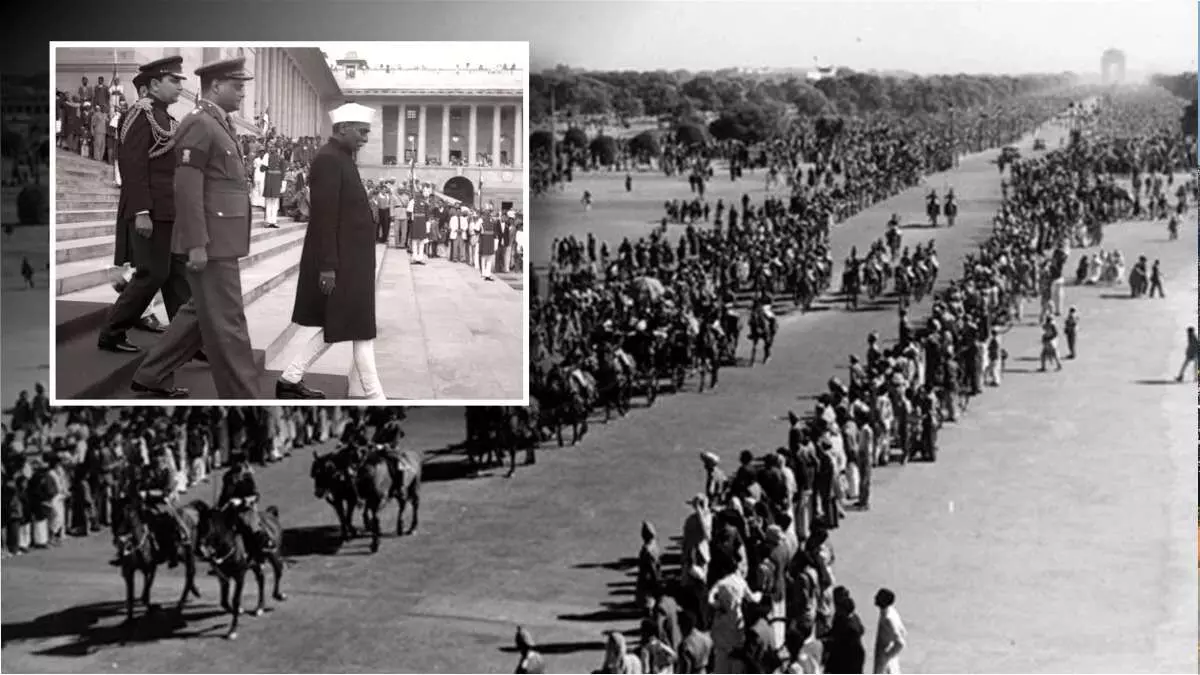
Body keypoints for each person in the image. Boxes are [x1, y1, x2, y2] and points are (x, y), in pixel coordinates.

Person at [130, 57, 259, 399]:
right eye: (238, 86)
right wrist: (197, 244)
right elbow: (186, 189)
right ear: (216, 86)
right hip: (211, 244)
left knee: (197, 315)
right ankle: (243, 399)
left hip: (221, 240)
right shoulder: (200, 123)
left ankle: (150, 375)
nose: (243, 92)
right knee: (228, 324)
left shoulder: (219, 123)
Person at [276, 102, 385, 400]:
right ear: (343, 128)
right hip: (341, 262)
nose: (365, 138)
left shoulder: (341, 158)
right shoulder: (329, 160)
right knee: (358, 326)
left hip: (352, 261)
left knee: (342, 323)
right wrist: (327, 266)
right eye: (361, 132)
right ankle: (376, 397)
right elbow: (324, 217)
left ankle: (290, 378)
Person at [98, 56, 191, 355]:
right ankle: (111, 332)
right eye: (173, 80)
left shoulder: (164, 117)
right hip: (151, 210)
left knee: (177, 276)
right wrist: (141, 211)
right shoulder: (141, 115)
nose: (179, 86)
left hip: (168, 209)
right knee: (151, 273)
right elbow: (133, 166)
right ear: (153, 84)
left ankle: (186, 339)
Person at [217, 450, 272, 557]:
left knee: (251, 527)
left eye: (237, 462)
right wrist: (220, 505)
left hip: (246, 508)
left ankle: (261, 549)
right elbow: (224, 493)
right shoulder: (227, 476)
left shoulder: (247, 476)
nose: (234, 464)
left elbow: (255, 494)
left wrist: (243, 501)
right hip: (231, 508)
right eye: (233, 462)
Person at [872, 588, 906, 674]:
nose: (875, 597)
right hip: (890, 655)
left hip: (884, 658)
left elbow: (900, 643)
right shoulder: (892, 611)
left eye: (878, 597)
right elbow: (903, 631)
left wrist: (886, 656)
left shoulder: (887, 619)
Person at [407, 182, 435, 264]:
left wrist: (427, 226)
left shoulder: (425, 203)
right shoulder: (412, 202)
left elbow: (427, 215)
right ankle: (414, 258)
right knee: (414, 241)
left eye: (419, 193)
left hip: (422, 223)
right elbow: (409, 212)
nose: (418, 195)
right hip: (415, 223)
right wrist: (412, 220)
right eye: (417, 193)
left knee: (422, 241)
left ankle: (421, 258)